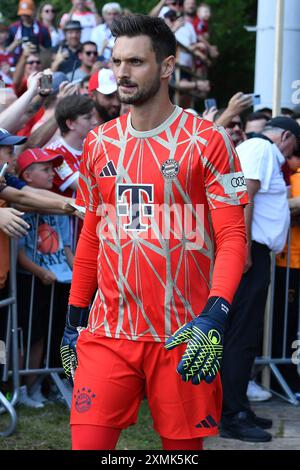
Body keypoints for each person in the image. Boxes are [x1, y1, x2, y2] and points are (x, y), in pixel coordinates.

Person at [60, 14, 248, 451]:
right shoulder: (99, 142)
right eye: (116, 62)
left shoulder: (208, 141)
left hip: (183, 332)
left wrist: (216, 314)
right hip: (108, 331)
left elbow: (232, 238)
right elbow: (91, 236)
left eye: (136, 62)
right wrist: (73, 320)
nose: (122, 73)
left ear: (166, 66)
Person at [220, 116, 300, 442]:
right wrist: (241, 247)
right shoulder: (261, 148)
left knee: (245, 335)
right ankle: (232, 415)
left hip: (253, 249)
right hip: (248, 249)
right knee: (240, 337)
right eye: (296, 144)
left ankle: (238, 407)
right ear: (285, 136)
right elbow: (243, 194)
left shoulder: (257, 148)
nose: (294, 153)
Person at [16, 147, 73, 407]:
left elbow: (67, 248)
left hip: (60, 279)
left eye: (53, 168)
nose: (53, 173)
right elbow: (18, 253)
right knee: (31, 335)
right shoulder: (19, 206)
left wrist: (79, 274)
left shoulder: (59, 205)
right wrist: (39, 271)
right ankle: (21, 388)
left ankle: (40, 385)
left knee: (53, 334)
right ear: (27, 175)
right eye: (46, 169)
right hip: (32, 280)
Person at [45, 94, 95, 197]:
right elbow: (86, 187)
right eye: (88, 118)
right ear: (70, 124)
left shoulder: (93, 147)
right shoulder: (55, 153)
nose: (95, 121)